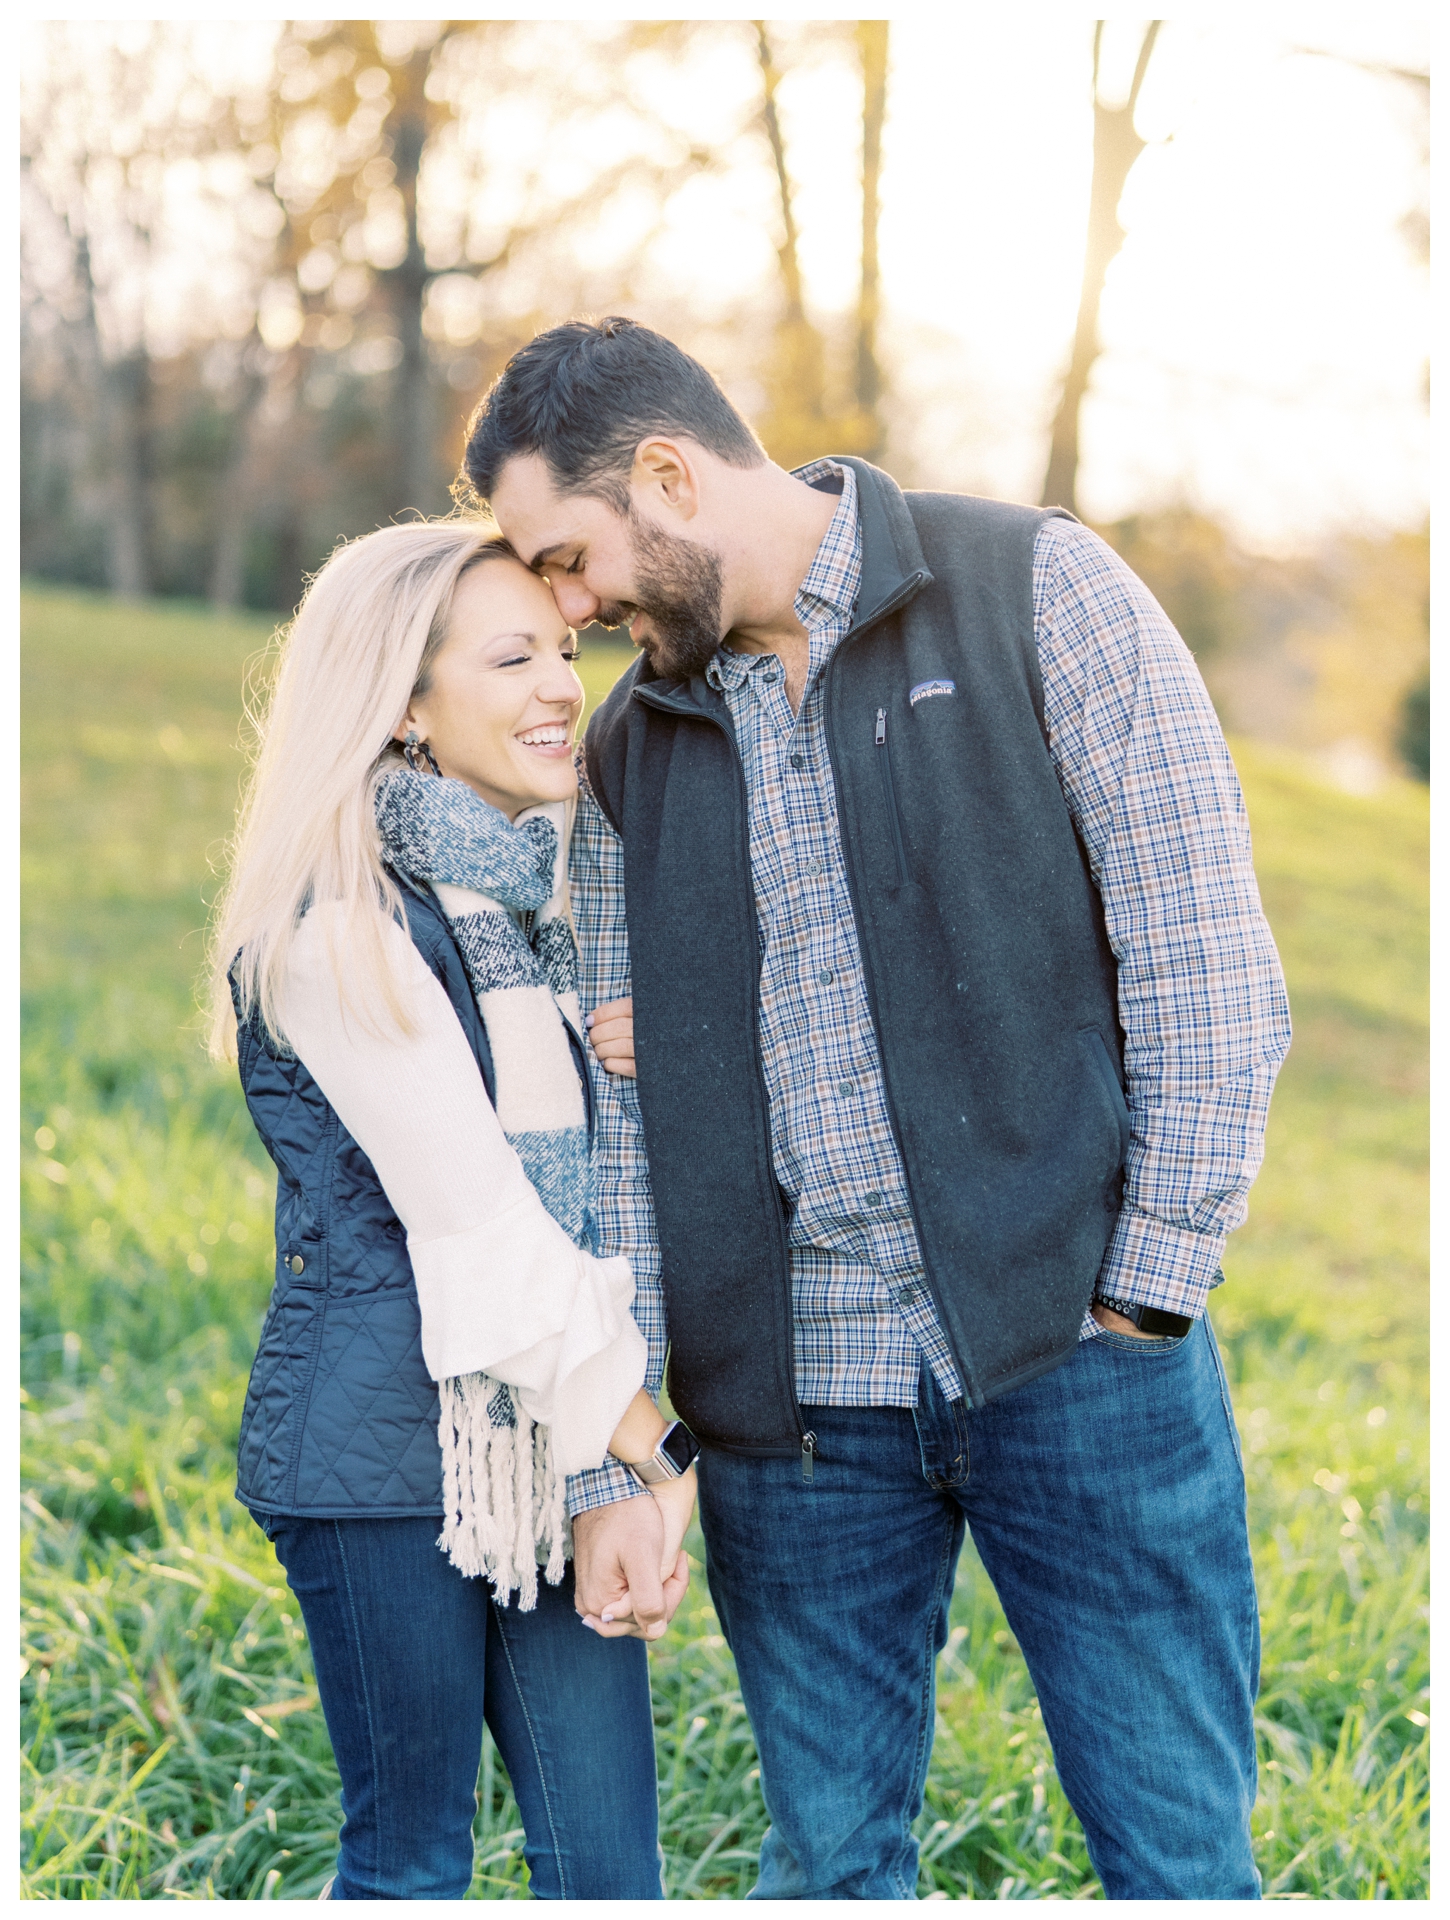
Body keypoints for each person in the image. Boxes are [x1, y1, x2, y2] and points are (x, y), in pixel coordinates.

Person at [460, 317, 1293, 1901]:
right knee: (831, 1867)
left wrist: (1148, 1291)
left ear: (665, 476)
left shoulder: (1038, 589)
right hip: (793, 1419)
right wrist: (636, 1416)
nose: (566, 613)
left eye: (568, 563)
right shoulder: (635, 740)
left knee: (1179, 1859)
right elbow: (620, 1131)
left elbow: (1203, 966)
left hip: (1083, 1363)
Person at [205, 521, 700, 1901]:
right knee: (412, 1866)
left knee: (608, 1872)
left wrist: (608, 1478)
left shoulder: (527, 917)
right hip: (377, 1461)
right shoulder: (336, 930)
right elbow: (482, 1231)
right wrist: (657, 1458)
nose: (561, 685)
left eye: (564, 649)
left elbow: (592, 1217)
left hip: (547, 1446)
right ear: (404, 707)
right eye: (510, 657)